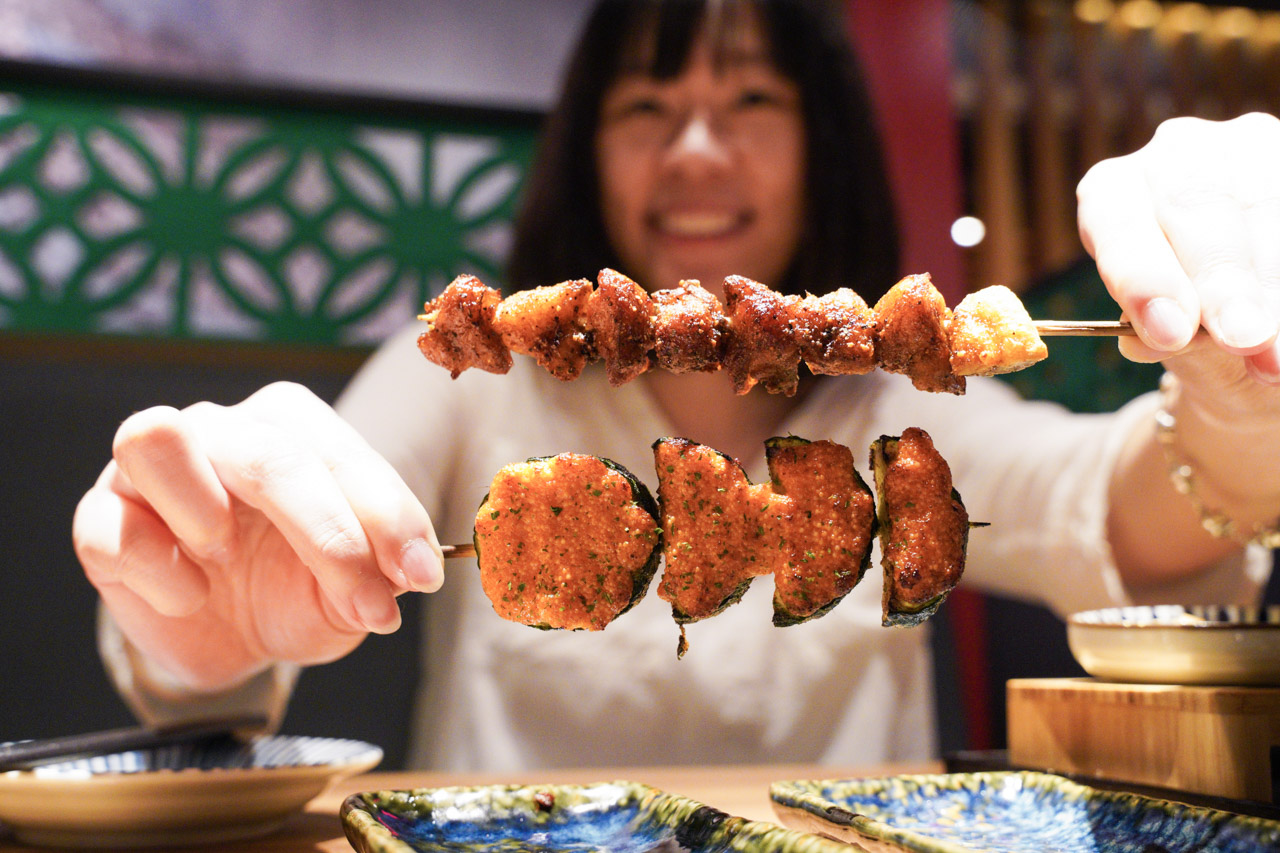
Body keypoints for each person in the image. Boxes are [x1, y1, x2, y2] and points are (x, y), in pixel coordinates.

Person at [74, 0, 1280, 771]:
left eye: (749, 100)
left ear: (823, 149)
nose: (694, 148)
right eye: (646, 107)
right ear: (588, 155)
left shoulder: (901, 416)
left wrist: (1243, 406)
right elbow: (271, 560)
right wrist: (203, 621)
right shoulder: (461, 388)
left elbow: (1134, 515)